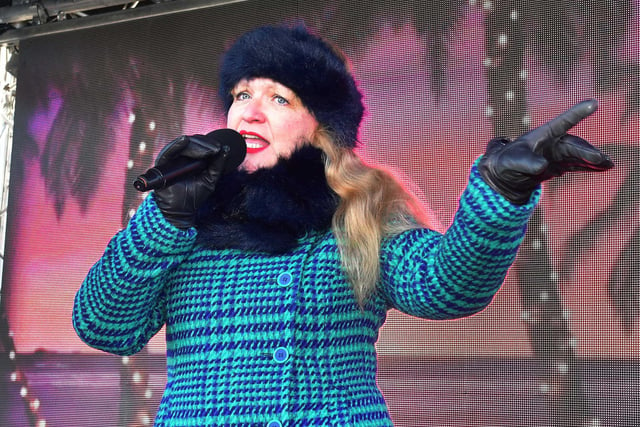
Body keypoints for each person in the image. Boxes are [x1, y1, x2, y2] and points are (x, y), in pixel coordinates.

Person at [72, 25, 613, 427]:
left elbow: (448, 288)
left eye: (277, 98)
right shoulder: (186, 221)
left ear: (321, 129)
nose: (248, 113)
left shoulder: (359, 210)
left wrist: (500, 190)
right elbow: (104, 326)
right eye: (241, 95)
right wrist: (163, 216)